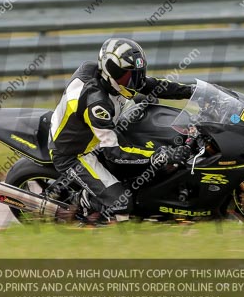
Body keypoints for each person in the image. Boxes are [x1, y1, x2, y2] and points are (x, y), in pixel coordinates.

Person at [49, 38, 194, 224]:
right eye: (128, 77)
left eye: (137, 74)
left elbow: (151, 85)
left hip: (98, 125)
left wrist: (191, 91)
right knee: (122, 204)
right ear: (111, 72)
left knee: (149, 103)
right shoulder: (97, 105)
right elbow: (114, 152)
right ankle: (84, 199)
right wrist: (160, 155)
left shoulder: (109, 77)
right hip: (74, 153)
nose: (134, 81)